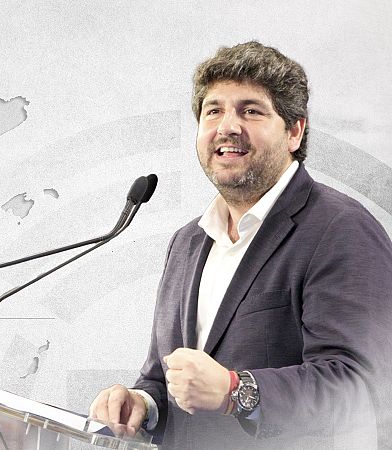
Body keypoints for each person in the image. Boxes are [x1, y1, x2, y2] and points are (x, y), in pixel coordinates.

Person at [89, 41, 392, 449]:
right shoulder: (187, 242)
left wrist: (236, 391)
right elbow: (166, 379)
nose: (227, 126)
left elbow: (361, 390)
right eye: (213, 111)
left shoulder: (341, 229)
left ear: (294, 131)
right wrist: (143, 403)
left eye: (250, 110)